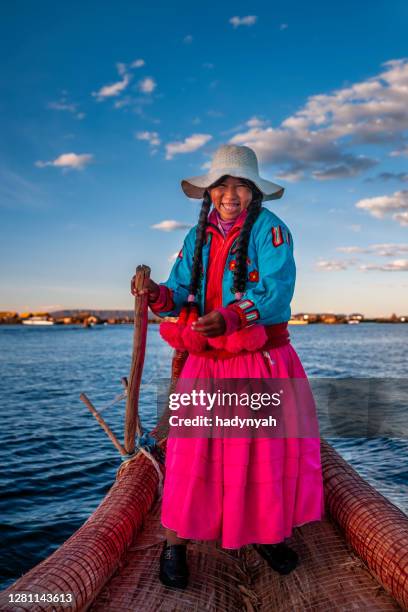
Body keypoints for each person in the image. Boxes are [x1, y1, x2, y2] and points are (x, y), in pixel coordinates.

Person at [131, 144, 324, 589]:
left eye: (240, 185)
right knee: (189, 451)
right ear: (209, 192)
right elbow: (178, 292)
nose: (230, 194)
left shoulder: (273, 231)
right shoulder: (194, 237)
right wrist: (154, 292)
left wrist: (234, 316)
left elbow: (276, 295)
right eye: (222, 185)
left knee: (259, 454)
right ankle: (174, 543)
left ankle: (263, 532)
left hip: (260, 361)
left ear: (254, 192)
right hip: (206, 364)